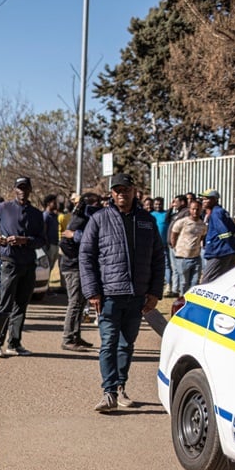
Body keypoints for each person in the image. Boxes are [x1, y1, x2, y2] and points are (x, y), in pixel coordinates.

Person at [79, 172, 165, 412]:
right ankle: (108, 392)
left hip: (137, 295)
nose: (121, 194)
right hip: (109, 295)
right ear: (111, 193)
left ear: (133, 191)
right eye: (116, 190)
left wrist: (155, 292)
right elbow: (85, 257)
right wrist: (92, 291)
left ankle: (121, 387)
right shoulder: (99, 219)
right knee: (108, 343)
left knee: (127, 344)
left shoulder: (146, 221)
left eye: (125, 189)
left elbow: (159, 257)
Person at [0, 177, 46, 357]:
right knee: (5, 305)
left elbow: (42, 240)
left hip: (28, 264)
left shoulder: (37, 214)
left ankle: (14, 343)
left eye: (25, 188)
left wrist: (26, 240)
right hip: (9, 262)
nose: (22, 191)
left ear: (30, 190)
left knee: (21, 306)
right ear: (15, 190)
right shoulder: (4, 208)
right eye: (19, 188)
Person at [59, 192, 100, 352]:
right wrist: (78, 256)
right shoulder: (79, 219)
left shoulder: (87, 219)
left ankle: (75, 335)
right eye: (95, 203)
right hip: (73, 267)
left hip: (80, 265)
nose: (99, 205)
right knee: (75, 303)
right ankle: (68, 338)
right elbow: (65, 242)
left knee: (81, 303)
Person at [198, 189, 235, 283]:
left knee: (207, 282)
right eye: (203, 199)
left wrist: (233, 248)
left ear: (215, 199)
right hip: (228, 252)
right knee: (224, 280)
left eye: (207, 199)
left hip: (219, 252)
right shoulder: (222, 212)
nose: (204, 201)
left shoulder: (216, 213)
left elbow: (224, 233)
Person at [169, 199, 207, 296]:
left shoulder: (203, 225)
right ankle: (183, 301)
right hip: (182, 258)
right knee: (184, 283)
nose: (195, 211)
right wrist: (175, 248)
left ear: (201, 210)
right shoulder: (182, 222)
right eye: (193, 209)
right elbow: (173, 235)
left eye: (197, 209)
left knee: (195, 282)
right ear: (189, 209)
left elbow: (202, 237)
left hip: (196, 257)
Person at [41, 195, 60, 285]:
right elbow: (44, 231)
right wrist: (47, 244)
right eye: (54, 202)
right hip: (49, 245)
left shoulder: (54, 216)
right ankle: (46, 286)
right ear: (48, 204)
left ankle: (48, 285)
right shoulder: (45, 216)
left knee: (52, 266)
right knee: (48, 266)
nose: (56, 204)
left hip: (55, 244)